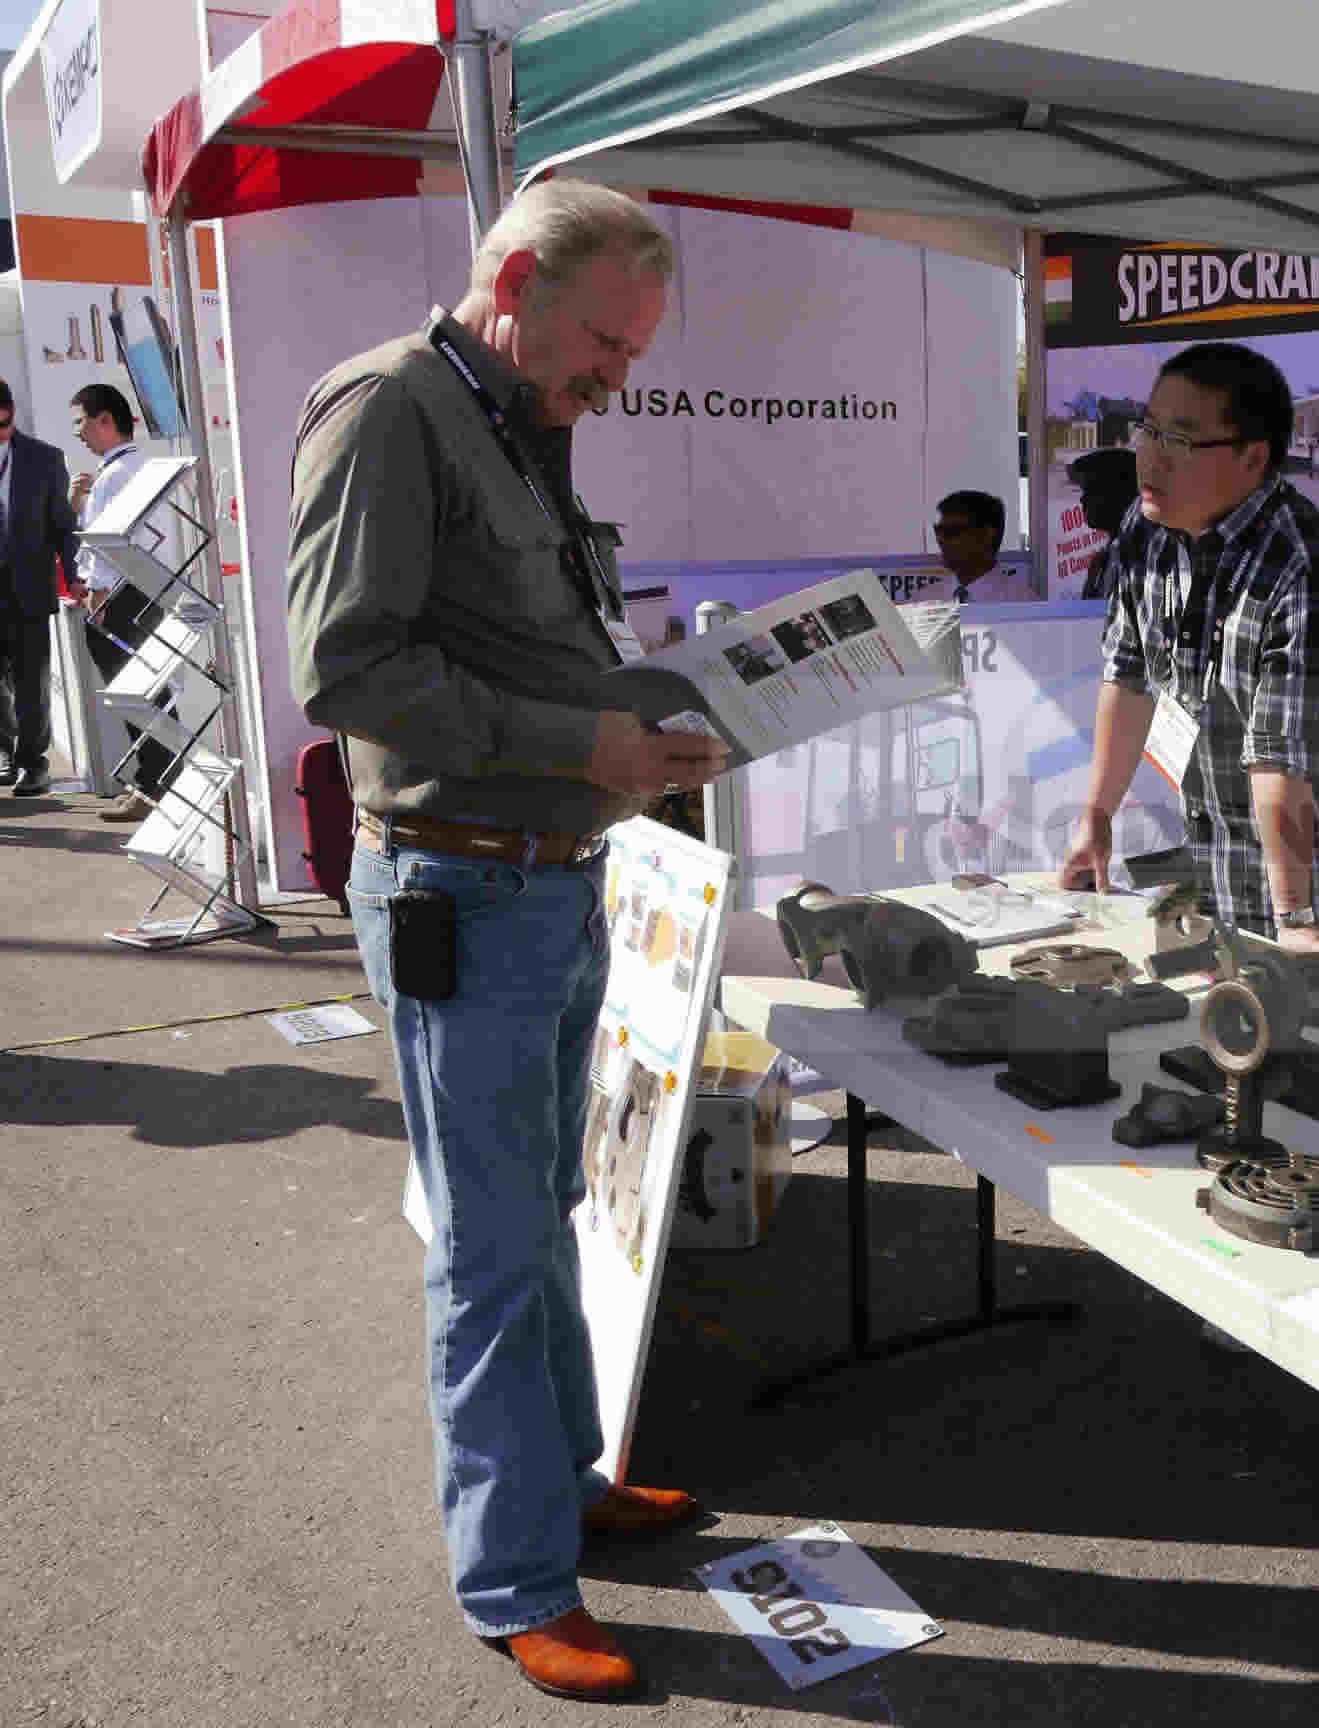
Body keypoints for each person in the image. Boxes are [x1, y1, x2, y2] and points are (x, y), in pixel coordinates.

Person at [284, 180, 728, 1703]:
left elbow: (522, 641)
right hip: (460, 889)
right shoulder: (390, 407)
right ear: (517, 284)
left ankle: (562, 1487)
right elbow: (347, 666)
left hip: (544, 878)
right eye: (605, 339)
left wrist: (646, 731)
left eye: (633, 350)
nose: (618, 375)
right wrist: (580, 744)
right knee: (489, 1245)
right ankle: (517, 1581)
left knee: (544, 1208)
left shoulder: (513, 417)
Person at [1060, 342, 1319, 947]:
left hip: (1318, 882)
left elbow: (1280, 754)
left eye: (1180, 440)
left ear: (1253, 456)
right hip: (1214, 864)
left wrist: (1294, 919)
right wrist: (1097, 816)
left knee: (1311, 1006)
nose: (1150, 456)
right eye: (1149, 431)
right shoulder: (1147, 528)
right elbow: (1129, 675)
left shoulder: (1306, 563)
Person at [63, 383, 171, 821]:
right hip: (139, 593)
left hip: (124, 598)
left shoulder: (116, 475)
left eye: (81, 422)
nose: (78, 432)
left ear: (105, 420)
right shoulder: (130, 469)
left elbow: (110, 545)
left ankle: (154, 783)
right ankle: (152, 780)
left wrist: (99, 593)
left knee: (138, 695)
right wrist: (80, 506)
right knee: (145, 693)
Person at [0, 378, 83, 798]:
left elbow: (63, 527)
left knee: (31, 683)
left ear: (10, 413)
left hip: (28, 588)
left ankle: (33, 764)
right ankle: (4, 752)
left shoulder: (45, 459)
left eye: (3, 423)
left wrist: (76, 575)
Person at [932, 487, 1038, 602]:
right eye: (938, 530)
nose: (941, 539)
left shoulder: (1023, 603)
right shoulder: (925, 601)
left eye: (952, 531)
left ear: (987, 534)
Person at [1066, 447, 1137, 602]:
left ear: (1116, 494)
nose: (1082, 499)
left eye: (1090, 490)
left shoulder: (1135, 558)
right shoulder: (1109, 555)